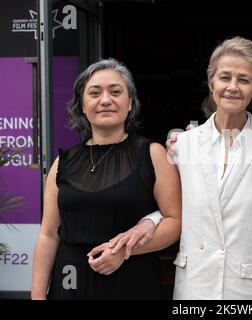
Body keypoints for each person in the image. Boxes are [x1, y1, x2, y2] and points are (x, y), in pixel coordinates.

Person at [31, 58, 181, 300]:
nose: (105, 100)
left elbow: (175, 221)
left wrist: (124, 251)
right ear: (82, 105)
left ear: (130, 103)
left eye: (115, 92)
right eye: (94, 93)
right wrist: (38, 295)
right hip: (71, 285)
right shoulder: (63, 163)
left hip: (132, 279)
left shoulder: (153, 154)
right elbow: (49, 234)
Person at [171, 36, 252, 299]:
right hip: (195, 286)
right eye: (225, 77)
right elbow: (170, 209)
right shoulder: (184, 145)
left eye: (243, 80)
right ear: (211, 83)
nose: (232, 87)